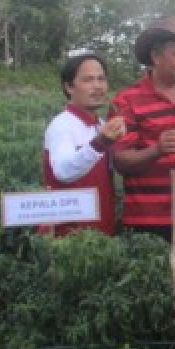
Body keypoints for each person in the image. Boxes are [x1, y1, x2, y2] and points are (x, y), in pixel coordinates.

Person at [110, 16, 175, 241]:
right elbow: (120, 161)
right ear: (155, 57)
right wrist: (157, 150)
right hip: (147, 222)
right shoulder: (127, 100)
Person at [41, 53, 125, 236]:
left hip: (101, 231)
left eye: (101, 79)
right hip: (70, 236)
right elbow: (63, 172)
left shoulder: (102, 126)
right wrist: (99, 144)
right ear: (69, 87)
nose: (97, 86)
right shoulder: (62, 125)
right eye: (88, 80)